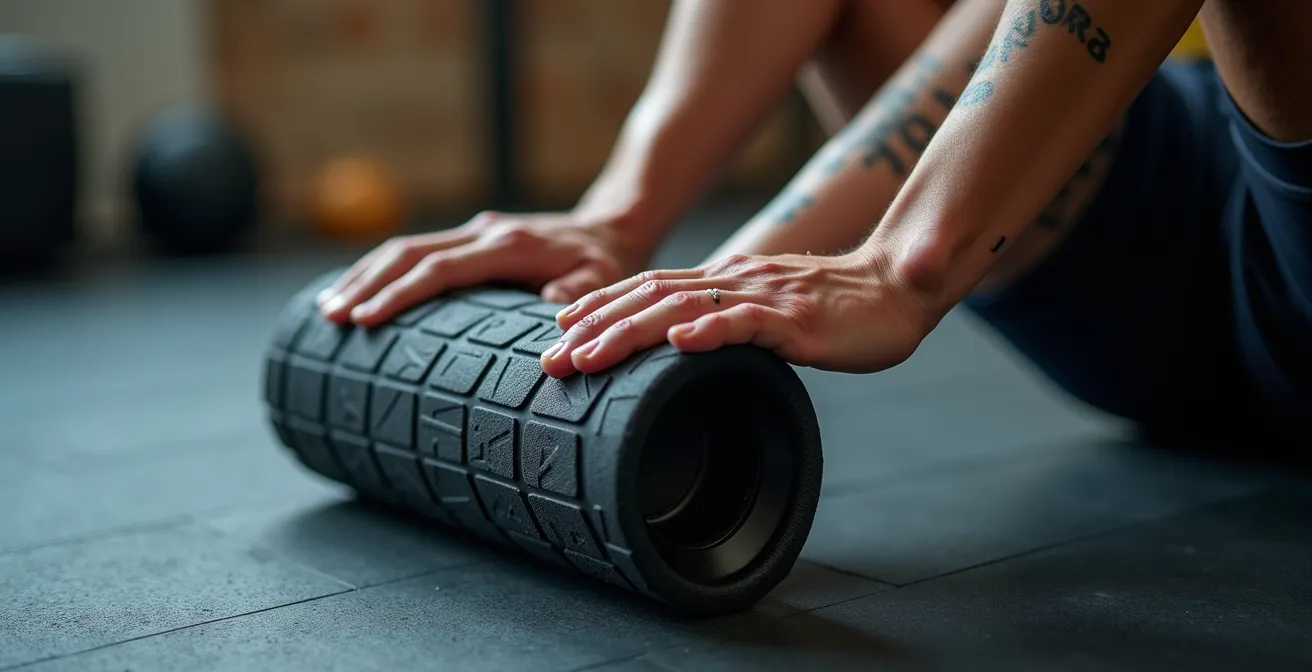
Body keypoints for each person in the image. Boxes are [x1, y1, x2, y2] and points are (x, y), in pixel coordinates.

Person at [316, 0, 1311, 443]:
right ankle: (623, 239)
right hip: (1159, 206)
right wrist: (628, 240)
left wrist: (901, 269)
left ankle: (910, 256)